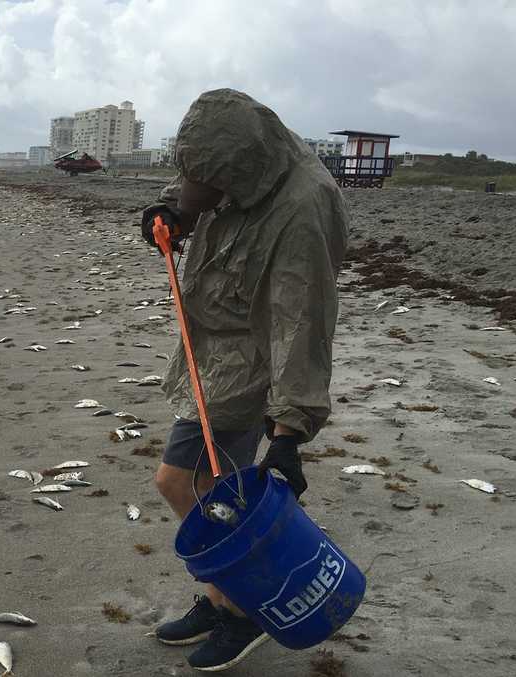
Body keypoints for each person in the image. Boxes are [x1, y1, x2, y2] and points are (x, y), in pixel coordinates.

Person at [138, 89, 348, 671]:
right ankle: (222, 597)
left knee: (180, 482)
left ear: (243, 172)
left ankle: (245, 607)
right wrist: (172, 213)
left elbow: (301, 326)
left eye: (215, 189)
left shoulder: (304, 209)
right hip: (209, 352)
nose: (207, 197)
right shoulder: (236, 163)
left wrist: (287, 434)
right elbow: (197, 190)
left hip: (249, 368)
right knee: (212, 486)